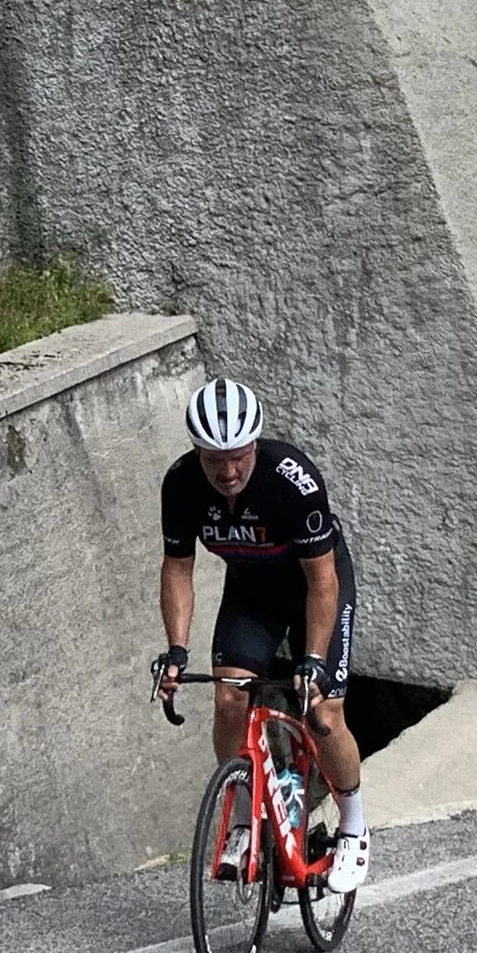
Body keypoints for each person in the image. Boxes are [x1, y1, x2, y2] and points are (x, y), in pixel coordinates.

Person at [154, 376, 369, 893]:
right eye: (214, 459)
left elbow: (322, 582)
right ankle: (248, 818)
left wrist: (313, 660)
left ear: (255, 444)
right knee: (230, 699)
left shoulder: (292, 479)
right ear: (197, 452)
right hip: (251, 591)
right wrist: (177, 650)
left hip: (312, 586)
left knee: (322, 711)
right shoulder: (180, 484)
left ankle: (354, 827)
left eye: (238, 456)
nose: (228, 470)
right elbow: (177, 568)